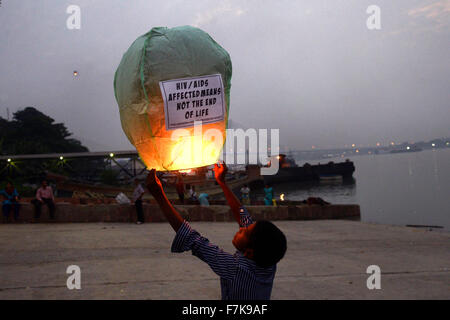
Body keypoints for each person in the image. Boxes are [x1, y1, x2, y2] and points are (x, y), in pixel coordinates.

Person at [145, 162, 287, 300]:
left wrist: (159, 196)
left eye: (244, 232)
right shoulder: (268, 263)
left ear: (249, 252)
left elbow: (194, 240)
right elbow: (243, 216)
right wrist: (222, 182)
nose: (241, 229)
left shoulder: (235, 269)